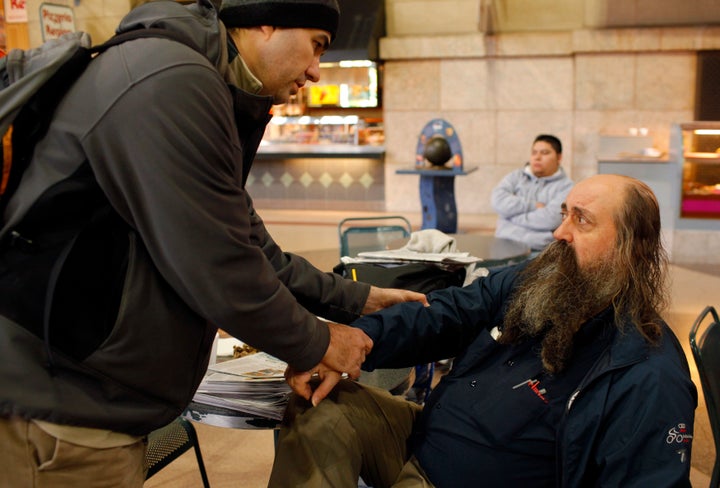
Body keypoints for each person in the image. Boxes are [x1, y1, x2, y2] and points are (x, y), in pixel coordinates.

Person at [0, 0, 426, 485]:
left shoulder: (205, 84)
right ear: (267, 22)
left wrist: (359, 298)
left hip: (92, 400)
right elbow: (217, 264)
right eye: (317, 45)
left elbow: (250, 246)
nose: (315, 70)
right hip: (57, 407)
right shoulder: (172, 79)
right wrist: (318, 341)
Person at [270, 174, 698, 487]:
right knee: (322, 402)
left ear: (630, 249)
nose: (559, 233)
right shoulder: (539, 281)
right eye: (564, 214)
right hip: (423, 435)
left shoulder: (646, 373)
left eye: (582, 222)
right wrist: (352, 343)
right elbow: (444, 314)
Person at [491, 134, 574, 251]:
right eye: (534, 153)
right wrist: (533, 206)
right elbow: (497, 201)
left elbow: (550, 220)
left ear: (559, 157)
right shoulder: (516, 176)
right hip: (503, 245)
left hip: (537, 252)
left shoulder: (567, 187)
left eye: (545, 153)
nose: (537, 157)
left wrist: (509, 216)